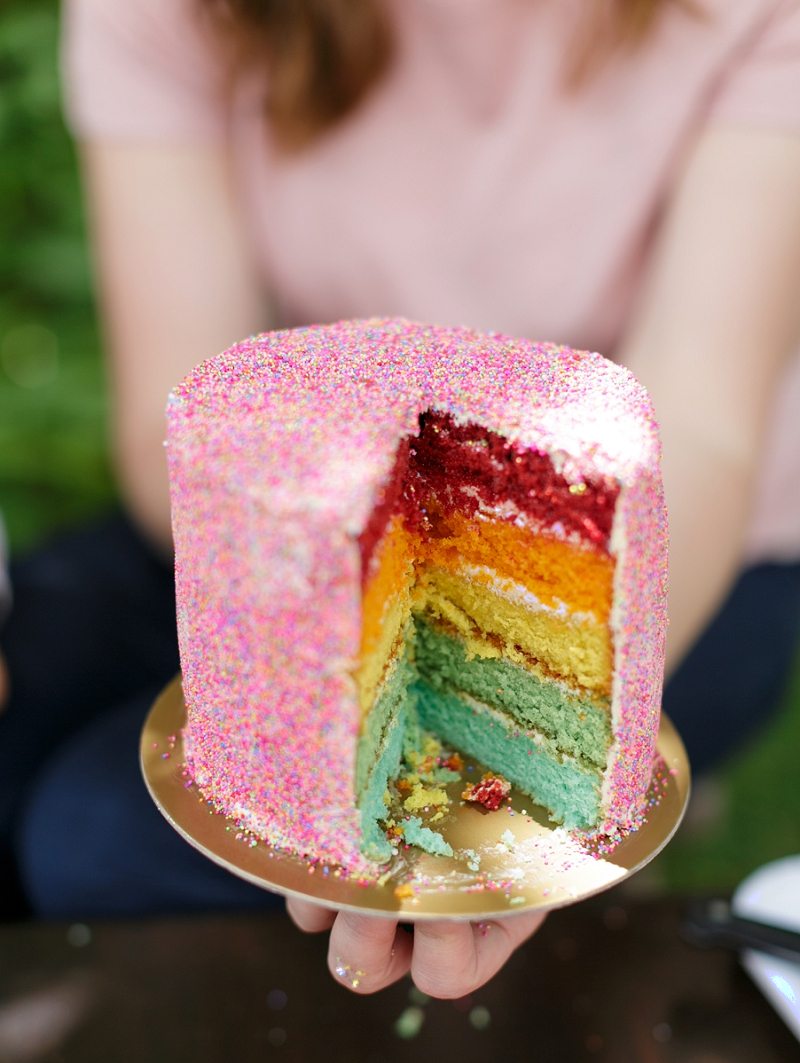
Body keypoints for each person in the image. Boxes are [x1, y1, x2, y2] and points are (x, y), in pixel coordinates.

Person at [2, 0, 799, 996]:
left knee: (94, 839)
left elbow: (703, 426)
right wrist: (325, 601)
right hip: (298, 514)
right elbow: (184, 412)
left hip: (641, 560)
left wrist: (572, 728)